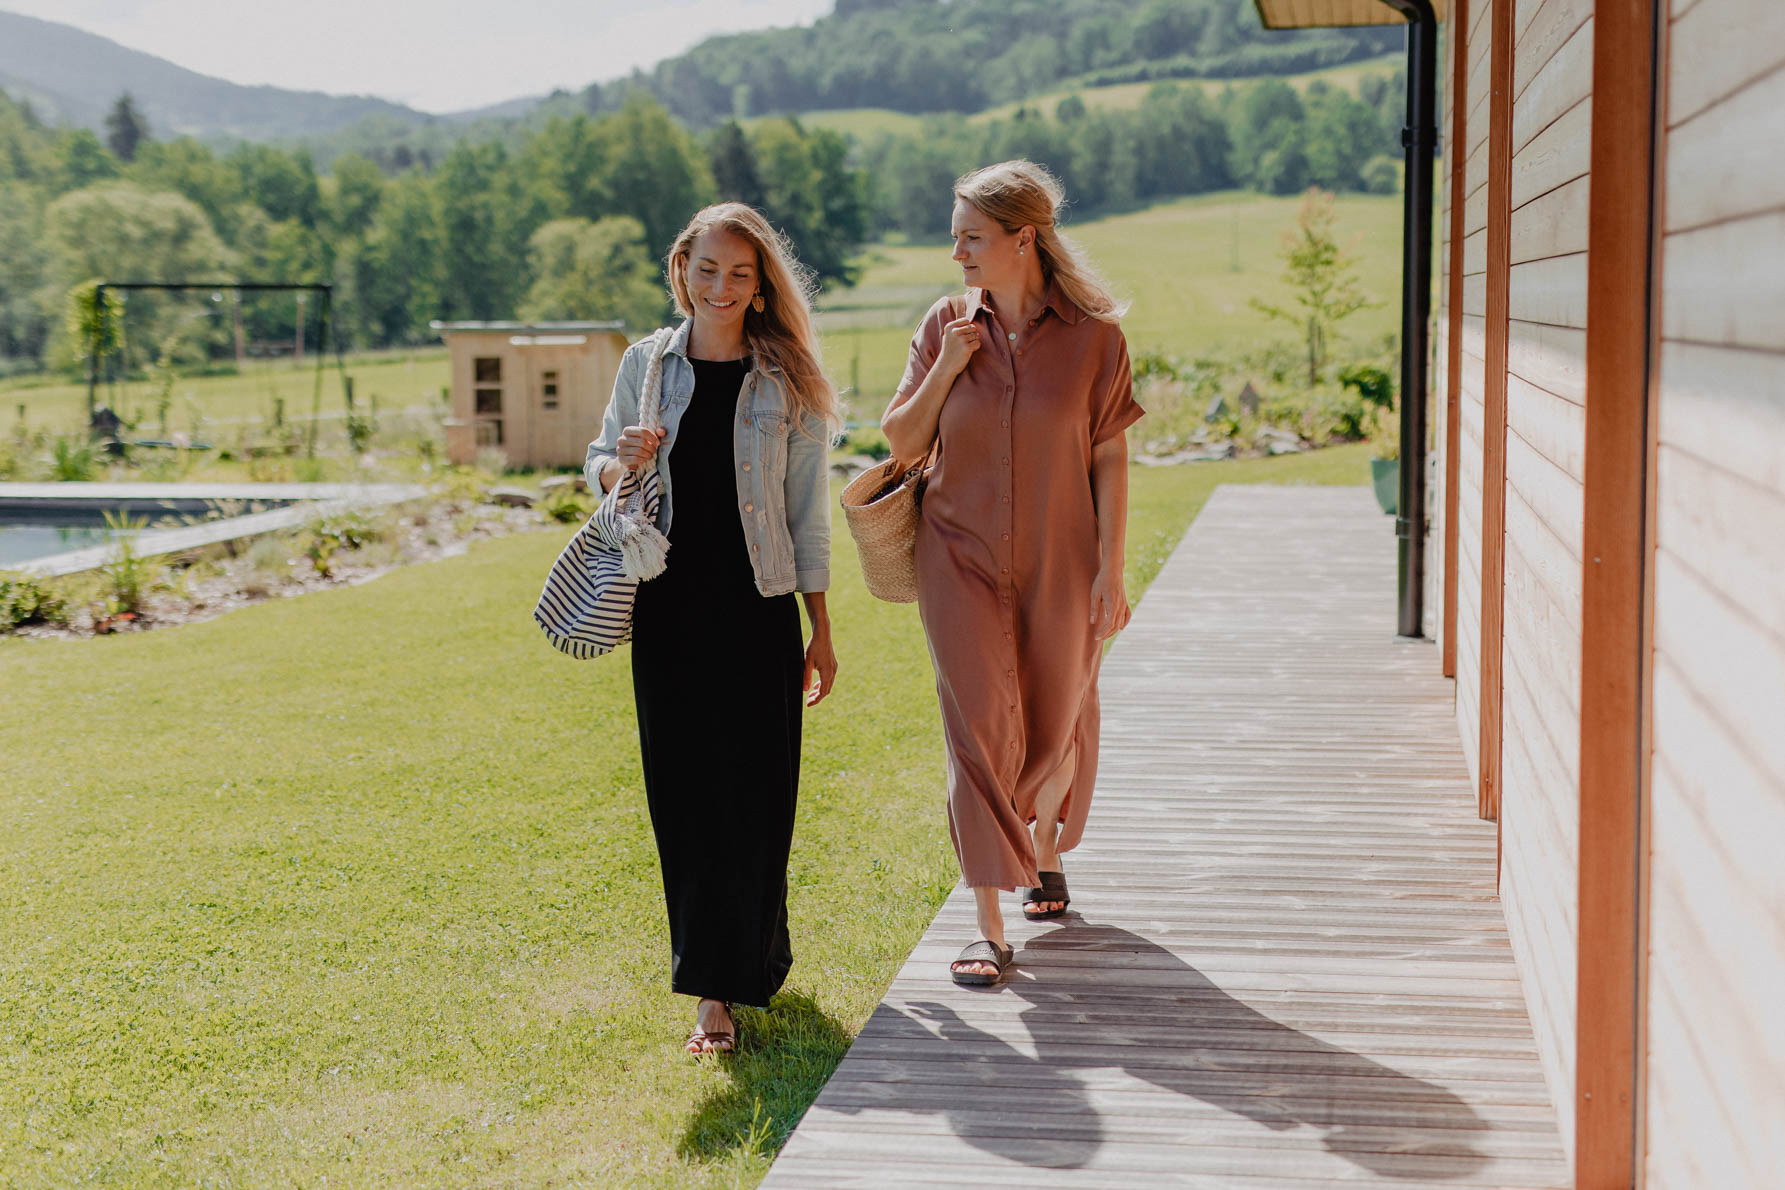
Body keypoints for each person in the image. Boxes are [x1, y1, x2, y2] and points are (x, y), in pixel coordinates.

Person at [881, 161, 1143, 987]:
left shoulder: (1097, 339)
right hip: (957, 555)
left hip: (1063, 559)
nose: (953, 249)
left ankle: (1042, 842)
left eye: (969, 236)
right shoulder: (943, 324)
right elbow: (900, 441)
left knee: (1056, 715)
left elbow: (1108, 453)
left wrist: (1111, 568)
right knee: (976, 732)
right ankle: (987, 924)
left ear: (1021, 239)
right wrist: (949, 367)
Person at [584, 203, 839, 1053]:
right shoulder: (646, 366)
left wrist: (821, 629)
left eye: (739, 273)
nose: (721, 287)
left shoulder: (786, 377)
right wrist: (621, 457)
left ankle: (755, 950)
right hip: (669, 610)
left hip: (761, 608)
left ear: (760, 282)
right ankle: (712, 998)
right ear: (680, 272)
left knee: (760, 798)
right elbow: (597, 465)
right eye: (706, 270)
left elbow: (807, 515)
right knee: (689, 801)